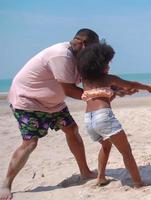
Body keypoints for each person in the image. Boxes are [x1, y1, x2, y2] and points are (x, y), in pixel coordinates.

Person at [0, 28, 100, 200]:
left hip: (53, 104)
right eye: (93, 49)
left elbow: (89, 79)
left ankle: (85, 172)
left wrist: (110, 87)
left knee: (72, 130)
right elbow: (69, 89)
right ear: (83, 44)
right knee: (30, 143)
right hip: (28, 101)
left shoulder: (78, 56)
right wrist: (98, 96)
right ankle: (6, 184)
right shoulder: (61, 55)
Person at [77, 42, 151, 188]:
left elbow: (107, 94)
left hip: (89, 119)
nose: (109, 66)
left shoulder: (86, 81)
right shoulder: (109, 78)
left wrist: (125, 92)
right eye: (107, 63)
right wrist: (148, 88)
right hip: (103, 116)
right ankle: (138, 183)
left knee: (106, 146)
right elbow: (131, 83)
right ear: (99, 65)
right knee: (126, 151)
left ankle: (101, 178)